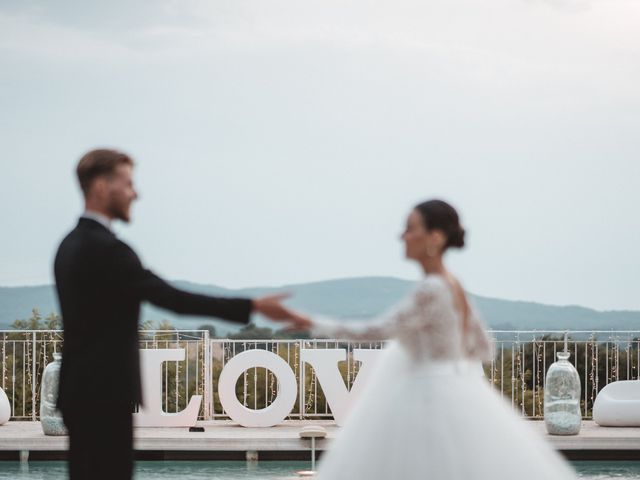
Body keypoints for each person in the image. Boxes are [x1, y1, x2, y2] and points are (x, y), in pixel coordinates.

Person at [277, 199, 578, 480]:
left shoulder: (431, 289)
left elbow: (378, 331)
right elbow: (484, 348)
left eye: (410, 228)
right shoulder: (453, 285)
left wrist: (310, 323)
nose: (402, 236)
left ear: (434, 238)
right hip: (457, 391)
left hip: (426, 397)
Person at [53, 148, 300, 480]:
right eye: (127, 183)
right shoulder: (109, 251)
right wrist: (252, 306)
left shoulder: (67, 246)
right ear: (100, 186)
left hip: (78, 392)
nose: (135, 193)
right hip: (105, 393)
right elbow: (173, 298)